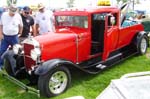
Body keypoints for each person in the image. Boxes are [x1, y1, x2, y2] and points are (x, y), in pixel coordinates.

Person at [0, 4, 23, 70]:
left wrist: (20, 33)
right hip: (5, 37)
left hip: (14, 37)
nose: (13, 14)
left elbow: (21, 26)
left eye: (14, 12)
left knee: (17, 53)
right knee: (2, 51)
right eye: (12, 12)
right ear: (9, 10)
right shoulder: (4, 15)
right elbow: (1, 25)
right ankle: (0, 65)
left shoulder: (18, 16)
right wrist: (0, 34)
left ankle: (16, 67)